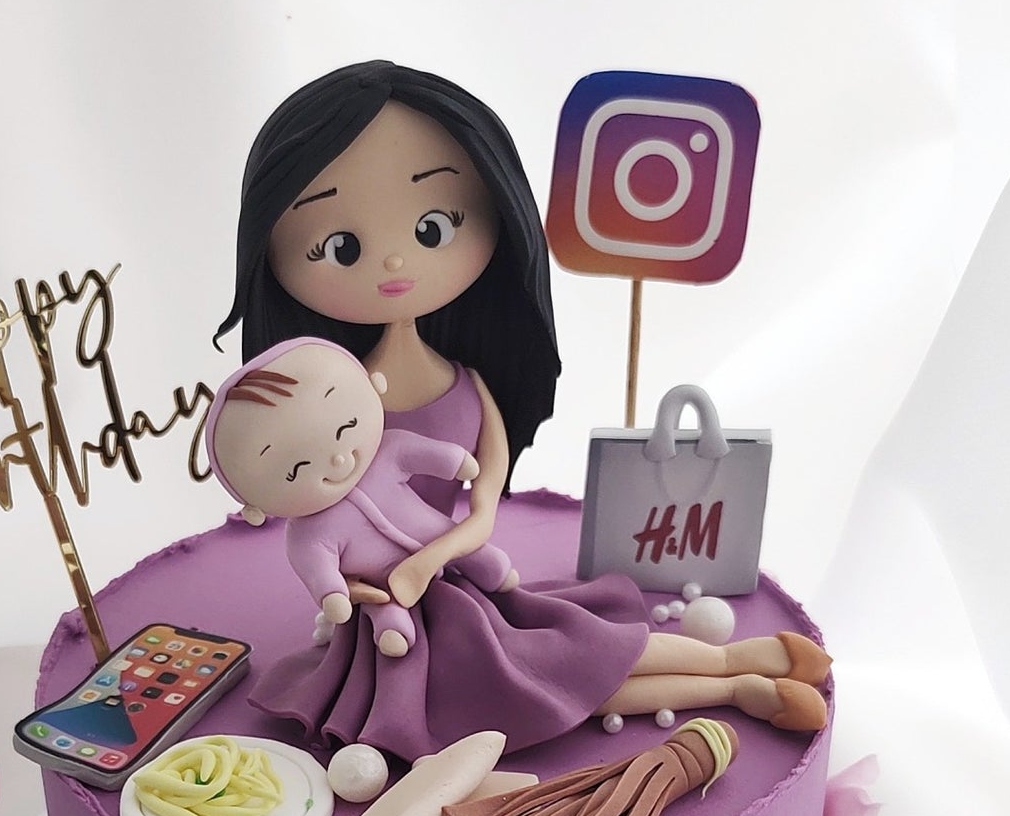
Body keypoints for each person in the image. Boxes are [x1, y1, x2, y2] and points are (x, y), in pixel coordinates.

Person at [216, 61, 827, 760]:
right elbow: (318, 537)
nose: (393, 264)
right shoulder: (325, 402)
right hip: (394, 627)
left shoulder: (471, 386)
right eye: (341, 247)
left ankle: (732, 659)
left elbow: (480, 510)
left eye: (434, 226)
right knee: (561, 687)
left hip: (467, 585)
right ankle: (734, 684)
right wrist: (358, 590)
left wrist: (433, 559)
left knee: (581, 658)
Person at [204, 337, 517, 659]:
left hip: (439, 533)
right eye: (296, 469)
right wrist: (332, 594)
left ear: (374, 385)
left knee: (483, 559)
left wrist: (456, 462)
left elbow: (423, 454)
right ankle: (392, 626)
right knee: (383, 603)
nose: (338, 460)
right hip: (380, 580)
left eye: (346, 427)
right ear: (254, 510)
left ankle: (487, 567)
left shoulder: (388, 450)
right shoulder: (306, 534)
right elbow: (319, 570)